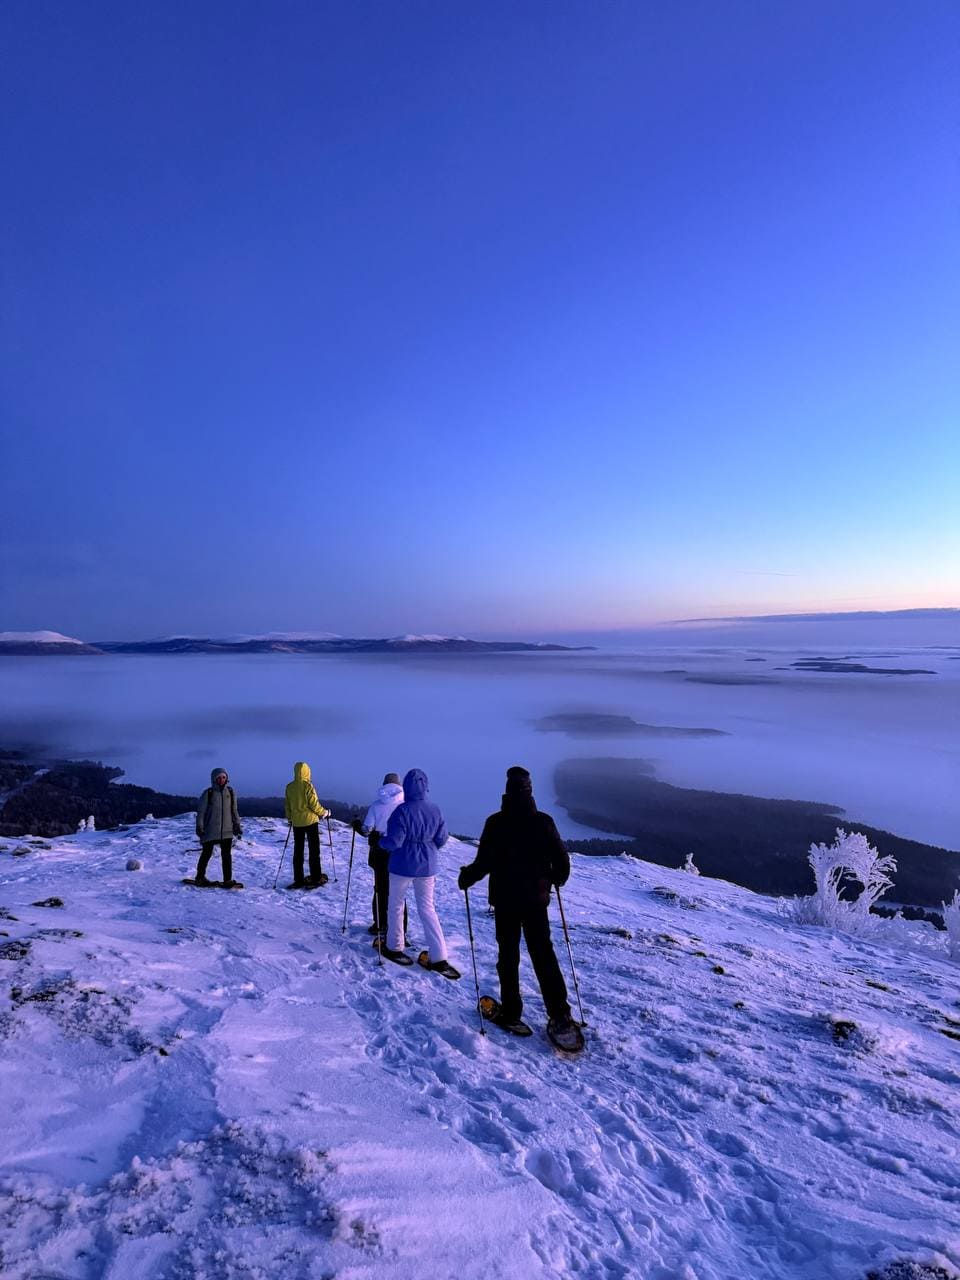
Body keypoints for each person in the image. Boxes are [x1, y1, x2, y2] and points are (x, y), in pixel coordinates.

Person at [458, 766, 579, 1046]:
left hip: (506, 901)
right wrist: (555, 880)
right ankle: (560, 1013)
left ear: (507, 790)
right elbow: (562, 862)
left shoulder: (496, 823)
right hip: (536, 900)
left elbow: (484, 862)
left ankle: (512, 1010)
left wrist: (467, 878)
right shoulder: (544, 822)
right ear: (530, 789)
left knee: (508, 954)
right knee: (543, 954)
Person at [379, 768, 457, 975]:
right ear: (425, 787)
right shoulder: (435, 809)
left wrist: (380, 842)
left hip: (402, 865)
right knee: (427, 908)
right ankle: (439, 956)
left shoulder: (402, 811)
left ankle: (395, 947)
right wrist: (428, 849)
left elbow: (394, 842)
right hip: (427, 866)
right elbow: (442, 838)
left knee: (396, 905)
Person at [354, 772, 406, 937]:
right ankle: (399, 929)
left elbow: (367, 830)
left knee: (380, 888)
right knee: (398, 892)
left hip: (379, 852)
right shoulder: (405, 804)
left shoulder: (376, 805)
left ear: (384, 784)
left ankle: (380, 924)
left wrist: (356, 825)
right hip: (399, 852)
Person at [284, 761, 331, 888]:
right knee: (314, 850)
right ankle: (316, 877)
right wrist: (325, 813)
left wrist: (290, 818)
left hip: (297, 823)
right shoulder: (308, 786)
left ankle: (298, 879)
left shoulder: (289, 787)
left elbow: (287, 805)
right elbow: (314, 805)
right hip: (310, 822)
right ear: (307, 771)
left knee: (298, 851)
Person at [195, 767, 242, 887]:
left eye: (224, 777)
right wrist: (200, 827)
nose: (221, 779)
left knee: (227, 856)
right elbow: (201, 812)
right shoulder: (208, 793)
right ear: (214, 779)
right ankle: (200, 877)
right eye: (219, 777)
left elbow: (234, 810)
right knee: (206, 853)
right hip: (210, 830)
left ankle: (227, 880)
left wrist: (237, 825)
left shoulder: (230, 792)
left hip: (226, 831)